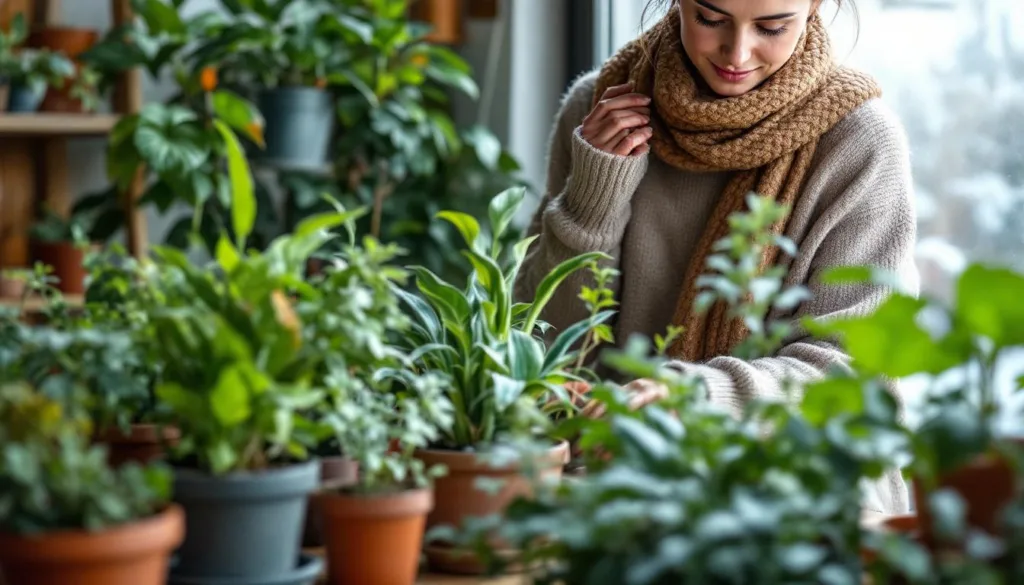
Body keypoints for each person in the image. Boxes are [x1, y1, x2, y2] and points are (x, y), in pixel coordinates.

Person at [514, 0, 917, 515]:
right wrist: (592, 201)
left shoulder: (859, 144)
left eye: (772, 26)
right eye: (710, 19)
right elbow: (543, 350)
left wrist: (696, 400)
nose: (737, 52)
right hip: (616, 490)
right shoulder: (596, 112)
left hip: (796, 504)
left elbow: (856, 379)